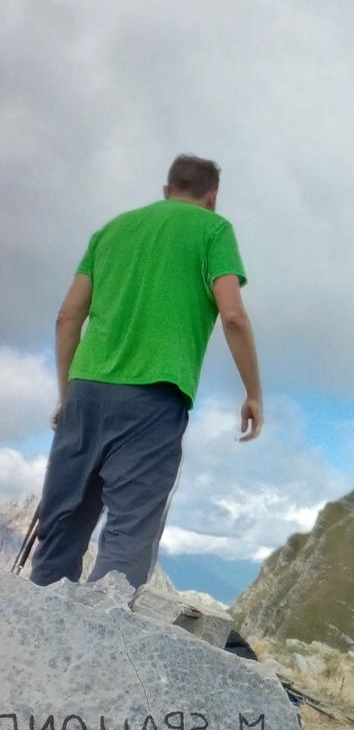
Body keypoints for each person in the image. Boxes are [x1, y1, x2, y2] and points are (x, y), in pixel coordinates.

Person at [30, 154, 262, 589]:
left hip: (85, 389)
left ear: (166, 191)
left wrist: (67, 395)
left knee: (61, 526)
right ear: (212, 197)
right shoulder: (214, 230)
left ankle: (37, 622)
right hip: (154, 396)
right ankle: (103, 629)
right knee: (128, 536)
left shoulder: (110, 232)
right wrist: (253, 393)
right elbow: (233, 316)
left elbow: (67, 317)